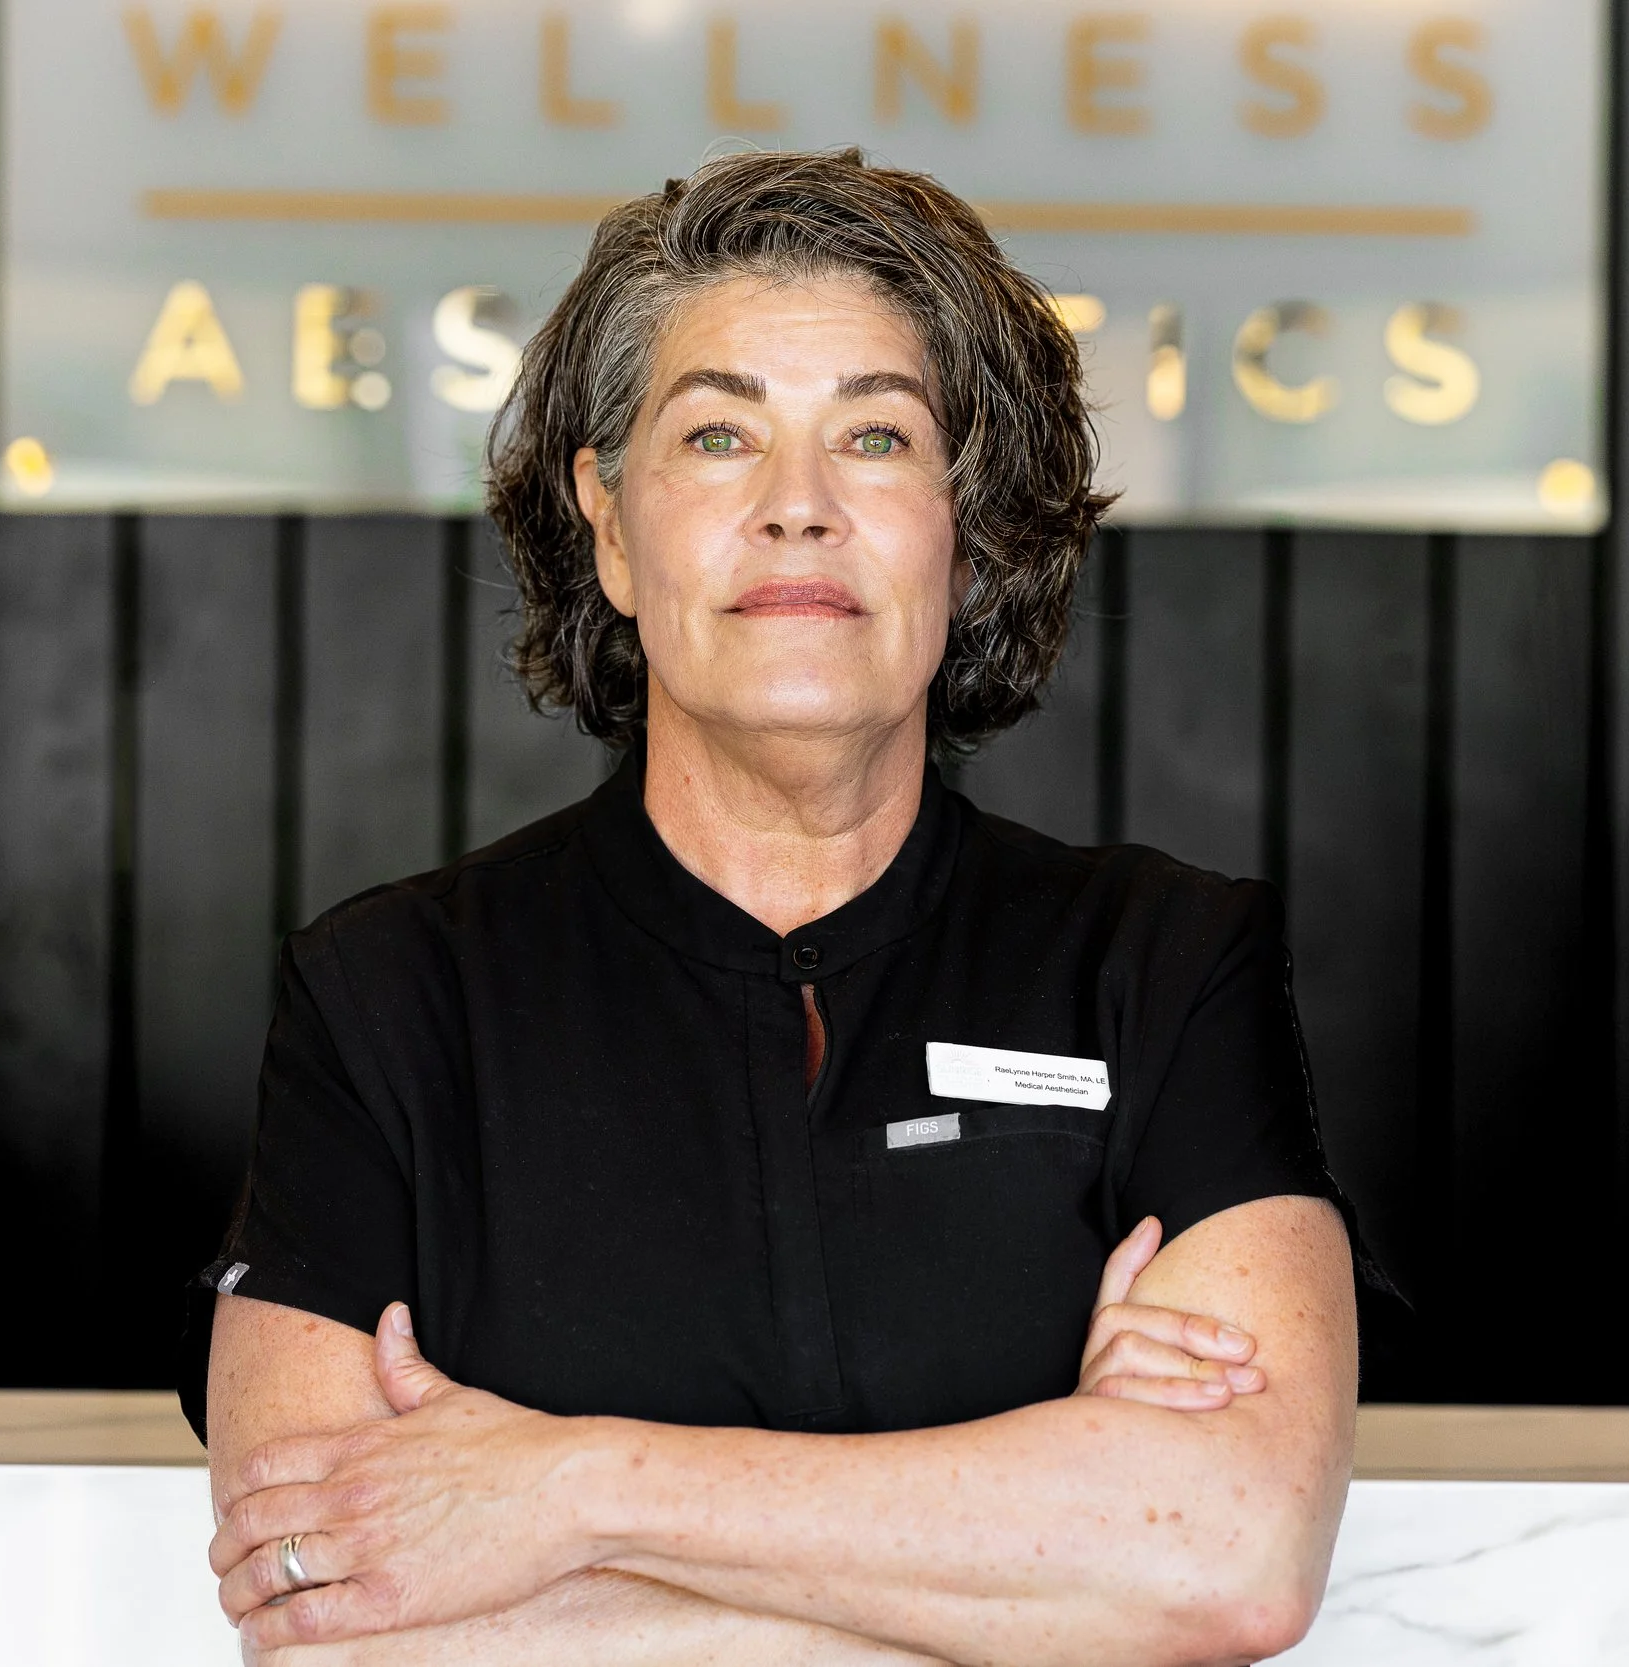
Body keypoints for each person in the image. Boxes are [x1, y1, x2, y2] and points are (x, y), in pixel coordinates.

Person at [186, 147, 1394, 1665]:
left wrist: (567, 1487)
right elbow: (331, 1612)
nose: (798, 509)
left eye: (877, 437)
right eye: (716, 437)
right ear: (613, 529)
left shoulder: (1165, 969)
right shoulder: (386, 1000)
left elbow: (1230, 1553)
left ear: (970, 532)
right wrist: (1038, 1561)